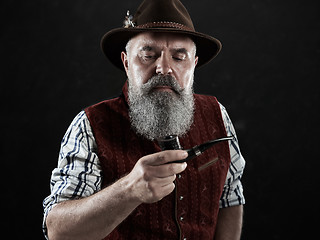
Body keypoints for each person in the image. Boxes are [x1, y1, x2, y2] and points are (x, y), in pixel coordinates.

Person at [43, 0, 245, 239]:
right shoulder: (89, 126)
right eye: (149, 55)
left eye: (179, 57)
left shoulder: (217, 115)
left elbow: (230, 197)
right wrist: (129, 190)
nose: (164, 68)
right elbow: (58, 231)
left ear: (194, 64)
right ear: (126, 62)